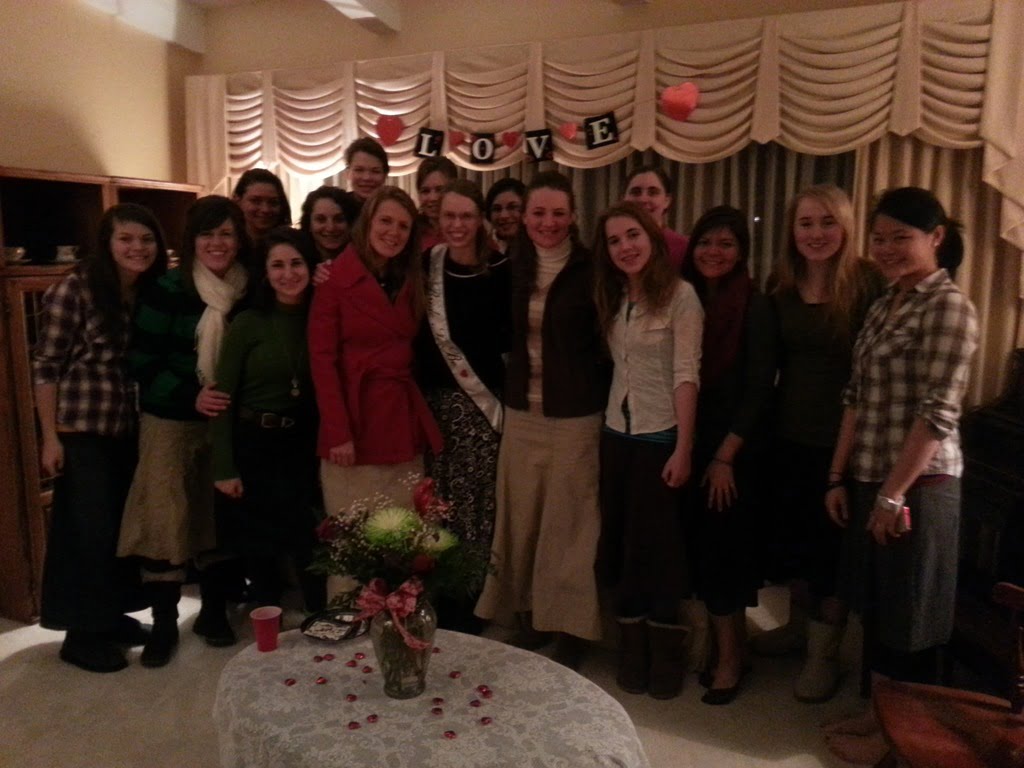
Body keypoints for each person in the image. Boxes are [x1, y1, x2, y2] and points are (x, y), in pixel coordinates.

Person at [823, 187, 978, 764]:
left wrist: (892, 495)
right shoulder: (887, 301)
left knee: (911, 614)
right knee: (881, 606)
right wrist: (837, 476)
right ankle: (878, 716)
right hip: (871, 477)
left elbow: (938, 413)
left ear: (936, 237)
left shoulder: (949, 307)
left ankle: (898, 741)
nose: (886, 249)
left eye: (900, 238)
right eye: (879, 238)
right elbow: (856, 394)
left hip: (919, 485)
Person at [475, 171, 609, 670]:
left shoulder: (594, 270)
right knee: (522, 520)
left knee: (570, 527)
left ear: (573, 216)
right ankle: (528, 615)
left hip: (576, 415)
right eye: (538, 213)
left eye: (557, 213)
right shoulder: (510, 266)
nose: (547, 222)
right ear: (524, 217)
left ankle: (570, 627)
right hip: (522, 412)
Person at [755, 185, 884, 702]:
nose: (816, 234)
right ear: (792, 231)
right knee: (795, 544)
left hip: (846, 444)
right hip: (790, 437)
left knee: (831, 554)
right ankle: (796, 628)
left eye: (827, 222)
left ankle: (823, 654)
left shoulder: (868, 283)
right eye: (805, 223)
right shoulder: (781, 285)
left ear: (846, 227)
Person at [33, 203, 168, 672]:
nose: (137, 248)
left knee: (117, 531)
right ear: (107, 243)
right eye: (126, 238)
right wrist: (50, 438)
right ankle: (80, 635)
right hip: (81, 429)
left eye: (146, 239)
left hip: (124, 427)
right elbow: (45, 366)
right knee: (87, 533)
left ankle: (108, 618)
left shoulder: (140, 291)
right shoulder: (74, 289)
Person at [118, 195, 251, 667]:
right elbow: (141, 361)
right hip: (171, 422)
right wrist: (190, 395)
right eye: (207, 234)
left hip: (225, 424)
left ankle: (213, 612)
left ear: (239, 240)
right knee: (165, 522)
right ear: (192, 240)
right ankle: (164, 624)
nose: (217, 243)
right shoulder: (168, 288)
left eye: (226, 233)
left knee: (218, 519)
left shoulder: (247, 289)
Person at [593, 201, 702, 698]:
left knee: (659, 550)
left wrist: (684, 447)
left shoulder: (681, 296)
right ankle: (631, 646)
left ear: (653, 238)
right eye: (614, 240)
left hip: (661, 437)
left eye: (633, 235)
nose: (625, 247)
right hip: (617, 435)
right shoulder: (613, 295)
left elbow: (686, 374)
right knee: (621, 544)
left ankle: (665, 652)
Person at [309, 186, 442, 551]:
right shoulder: (334, 279)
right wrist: (338, 432)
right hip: (355, 423)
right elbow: (322, 361)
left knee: (405, 541)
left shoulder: (411, 278)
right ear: (367, 223)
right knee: (354, 545)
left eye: (403, 226)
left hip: (400, 421)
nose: (393, 232)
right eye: (386, 221)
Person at [682, 205, 777, 705]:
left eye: (726, 244)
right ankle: (731, 647)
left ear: (741, 252)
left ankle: (729, 662)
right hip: (693, 444)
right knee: (708, 554)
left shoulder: (754, 305)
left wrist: (725, 457)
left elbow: (760, 387)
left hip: (734, 451)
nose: (713, 252)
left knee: (724, 559)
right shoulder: (686, 297)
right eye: (705, 242)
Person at [208, 227, 326, 614]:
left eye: (296, 263)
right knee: (259, 545)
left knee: (307, 539)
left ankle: (319, 622)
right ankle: (268, 629)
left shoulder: (322, 315)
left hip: (302, 441)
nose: (288, 273)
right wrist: (224, 467)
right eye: (277, 265)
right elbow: (222, 398)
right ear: (265, 272)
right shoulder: (248, 322)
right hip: (254, 441)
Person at [415, 179, 510, 631]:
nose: (457, 224)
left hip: (480, 410)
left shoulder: (501, 269)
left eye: (466, 216)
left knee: (477, 507)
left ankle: (473, 602)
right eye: (449, 216)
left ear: (480, 220)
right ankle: (440, 592)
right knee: (438, 506)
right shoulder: (426, 264)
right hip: (433, 407)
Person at [623, 165, 689, 271]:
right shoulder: (611, 246)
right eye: (636, 192)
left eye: (653, 192)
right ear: (624, 198)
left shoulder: (684, 248)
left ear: (667, 201)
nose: (643, 199)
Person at [299, 185, 360, 263]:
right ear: (309, 224)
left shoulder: (366, 261)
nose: (330, 228)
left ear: (351, 223)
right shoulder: (296, 260)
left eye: (339, 219)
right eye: (321, 220)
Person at [232, 168, 292, 247]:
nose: (265, 209)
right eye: (256, 201)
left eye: (273, 202)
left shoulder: (291, 246)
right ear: (237, 201)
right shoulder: (225, 247)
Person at [416, 157, 459, 252]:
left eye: (440, 190)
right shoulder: (411, 231)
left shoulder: (467, 229)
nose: (433, 198)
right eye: (425, 191)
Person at [344, 137, 389, 213]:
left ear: (385, 175)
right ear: (347, 173)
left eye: (375, 171)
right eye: (359, 170)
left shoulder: (395, 209)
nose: (367, 177)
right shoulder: (337, 208)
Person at [485, 177, 526, 251]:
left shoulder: (542, 250)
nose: (504, 216)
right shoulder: (482, 251)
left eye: (512, 207)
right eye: (497, 209)